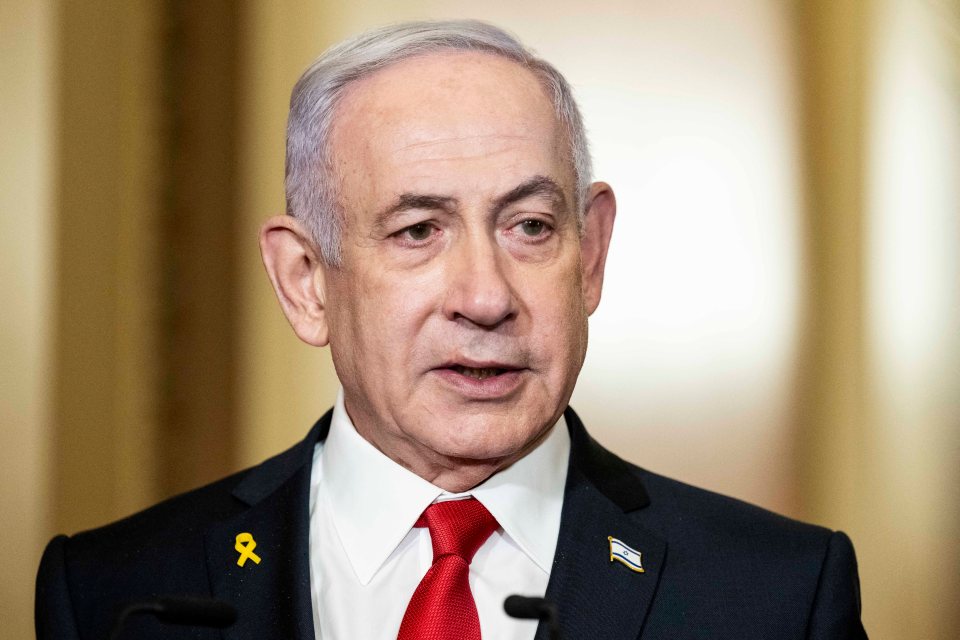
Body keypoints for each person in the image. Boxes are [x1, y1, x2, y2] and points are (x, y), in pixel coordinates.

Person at [35, 20, 867, 640]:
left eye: (531, 227)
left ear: (592, 256)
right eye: (418, 231)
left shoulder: (776, 596)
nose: (485, 296)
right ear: (305, 282)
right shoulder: (117, 594)